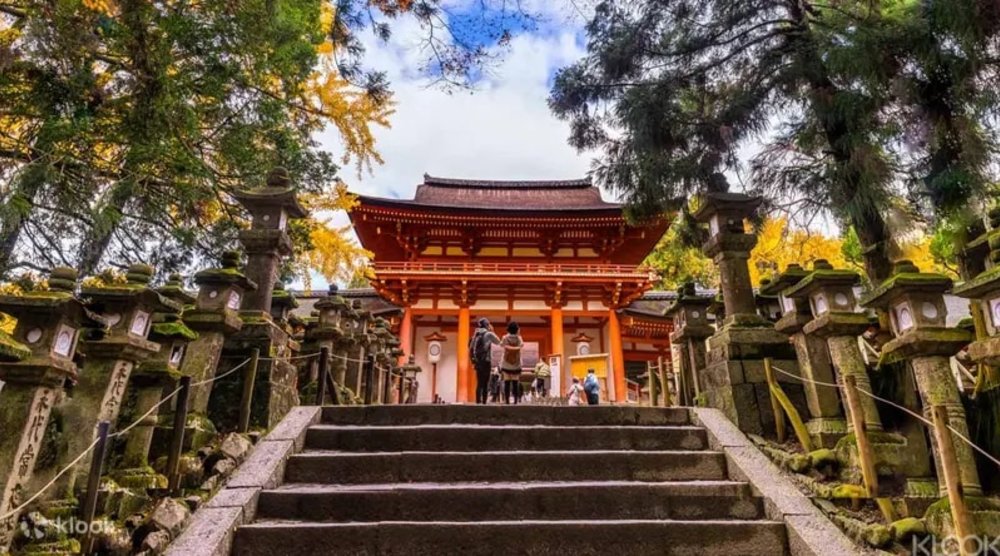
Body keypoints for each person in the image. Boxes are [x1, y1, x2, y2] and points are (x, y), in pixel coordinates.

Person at [469, 318, 501, 404]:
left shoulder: (475, 334)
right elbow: (498, 342)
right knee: (486, 383)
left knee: (479, 383)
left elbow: (470, 347)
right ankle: (484, 403)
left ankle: (478, 402)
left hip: (478, 361)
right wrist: (492, 330)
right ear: (487, 325)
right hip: (486, 361)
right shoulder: (489, 334)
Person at [499, 322, 524, 404]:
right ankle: (516, 401)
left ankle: (507, 400)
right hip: (516, 363)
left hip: (506, 363)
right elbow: (521, 345)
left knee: (506, 383)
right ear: (517, 329)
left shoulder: (505, 337)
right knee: (515, 383)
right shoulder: (519, 338)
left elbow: (501, 345)